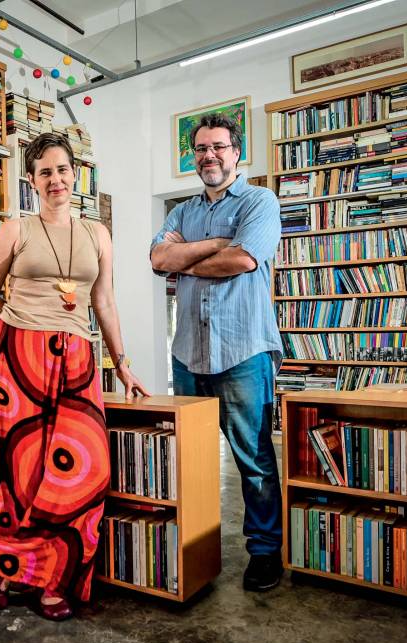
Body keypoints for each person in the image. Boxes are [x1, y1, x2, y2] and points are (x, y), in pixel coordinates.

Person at [0, 132, 148, 620]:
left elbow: (104, 302)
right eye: (45, 172)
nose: (55, 179)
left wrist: (123, 364)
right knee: (13, 472)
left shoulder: (97, 234)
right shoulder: (16, 230)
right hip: (15, 358)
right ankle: (9, 573)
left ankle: (52, 576)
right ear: (31, 180)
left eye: (63, 170)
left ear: (75, 175)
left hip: (76, 357)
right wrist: (24, 320)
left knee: (84, 470)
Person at [150, 113, 285, 592]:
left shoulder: (260, 201)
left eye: (219, 147)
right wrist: (215, 247)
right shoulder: (181, 212)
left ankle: (266, 551)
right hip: (188, 353)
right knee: (189, 458)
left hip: (243, 351)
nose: (209, 155)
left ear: (236, 152)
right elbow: (158, 259)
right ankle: (196, 551)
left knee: (254, 459)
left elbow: (244, 258)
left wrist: (191, 258)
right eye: (201, 148)